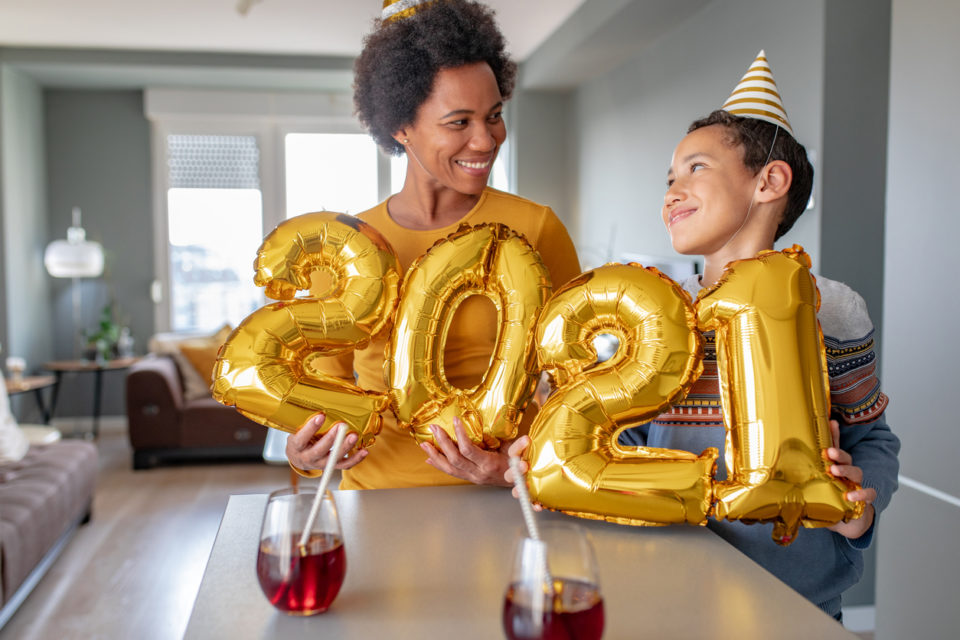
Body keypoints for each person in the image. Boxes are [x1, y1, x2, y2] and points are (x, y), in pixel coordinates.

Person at [506, 51, 899, 620]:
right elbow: (630, 448)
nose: (671, 191)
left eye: (695, 169)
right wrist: (560, 474)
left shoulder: (831, 310)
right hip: (666, 588)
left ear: (770, 181)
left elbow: (874, 440)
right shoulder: (657, 311)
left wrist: (860, 505)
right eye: (668, 178)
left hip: (798, 602)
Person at [285, 0, 581, 490]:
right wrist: (304, 454)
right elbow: (321, 397)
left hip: (506, 501)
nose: (486, 141)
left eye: (494, 115)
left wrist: (517, 467)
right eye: (459, 122)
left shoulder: (536, 228)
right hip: (377, 502)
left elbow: (579, 389)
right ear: (401, 126)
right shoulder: (344, 248)